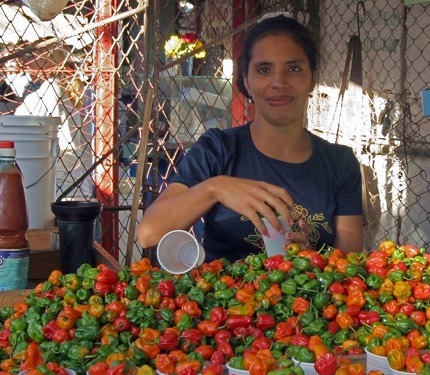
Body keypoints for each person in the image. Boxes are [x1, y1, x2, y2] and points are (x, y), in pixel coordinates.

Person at [137, 14, 364, 261]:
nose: (279, 82)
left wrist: (310, 254)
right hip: (224, 297)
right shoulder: (218, 150)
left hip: (306, 298)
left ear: (313, 80)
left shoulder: (340, 163)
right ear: (246, 79)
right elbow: (149, 233)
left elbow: (349, 262)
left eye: (294, 68)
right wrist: (216, 188)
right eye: (264, 69)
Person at [13, 42, 92, 198]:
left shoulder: (50, 92)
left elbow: (25, 131)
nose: (25, 63)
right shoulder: (67, 88)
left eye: (31, 56)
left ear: (47, 60)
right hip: (75, 177)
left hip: (54, 180)